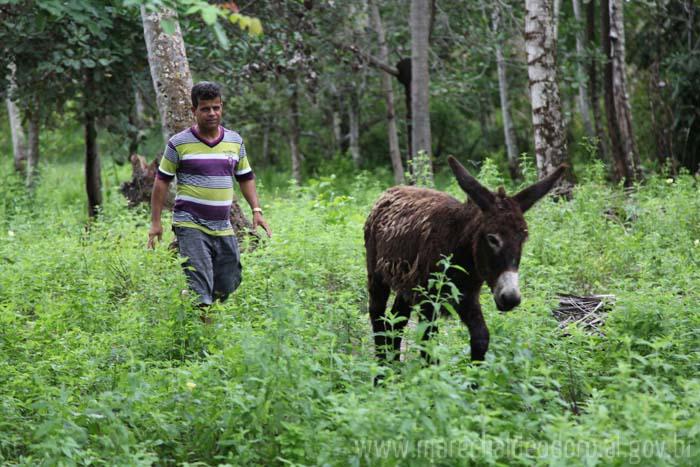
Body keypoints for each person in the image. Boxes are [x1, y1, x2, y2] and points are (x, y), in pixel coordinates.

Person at [148, 81, 271, 312]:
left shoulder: (234, 141)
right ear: (194, 111)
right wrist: (156, 223)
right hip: (190, 224)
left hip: (222, 226)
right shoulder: (178, 143)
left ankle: (194, 296)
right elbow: (161, 181)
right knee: (201, 283)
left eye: (216, 107)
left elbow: (245, 177)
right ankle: (205, 335)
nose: (212, 113)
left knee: (229, 279)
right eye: (205, 109)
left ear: (222, 107)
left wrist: (256, 209)